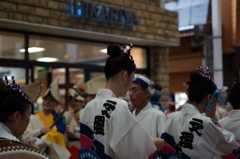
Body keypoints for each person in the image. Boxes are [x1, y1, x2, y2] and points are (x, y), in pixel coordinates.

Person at [80, 43, 165, 159]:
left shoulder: (89, 106)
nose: (130, 90)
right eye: (131, 79)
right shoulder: (120, 105)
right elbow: (129, 151)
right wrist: (152, 144)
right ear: (125, 76)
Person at [159, 66, 240, 159]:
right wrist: (213, 119)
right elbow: (233, 147)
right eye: (215, 100)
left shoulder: (172, 117)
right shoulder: (206, 122)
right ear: (209, 98)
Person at [0, 76, 50, 159]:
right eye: (29, 114)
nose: (29, 119)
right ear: (17, 116)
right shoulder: (15, 149)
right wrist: (30, 153)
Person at [22, 81, 71, 159]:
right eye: (45, 99)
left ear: (56, 103)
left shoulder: (60, 119)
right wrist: (40, 131)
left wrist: (38, 143)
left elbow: (56, 135)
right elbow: (25, 134)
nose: (48, 102)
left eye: (51, 100)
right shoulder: (32, 117)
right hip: (32, 153)